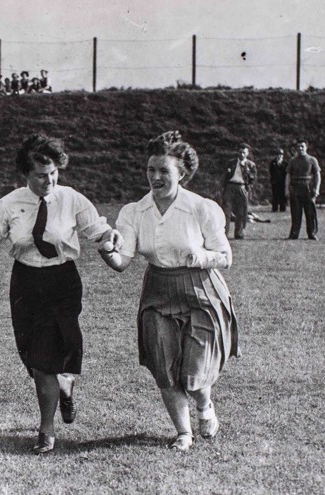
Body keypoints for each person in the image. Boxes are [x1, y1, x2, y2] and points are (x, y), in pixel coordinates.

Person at [0, 134, 121, 454]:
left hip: (62, 282)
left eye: (53, 173)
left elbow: (98, 230)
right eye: (40, 175)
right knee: (35, 359)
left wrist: (111, 236)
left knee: (48, 357)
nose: (48, 180)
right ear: (26, 174)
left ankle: (46, 429)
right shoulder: (9, 204)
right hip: (26, 285)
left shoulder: (72, 199)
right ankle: (63, 387)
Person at [103, 130, 239, 452]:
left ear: (182, 173)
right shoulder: (134, 212)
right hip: (158, 290)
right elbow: (122, 261)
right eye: (151, 170)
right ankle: (183, 432)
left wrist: (201, 257)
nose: (156, 177)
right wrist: (108, 249)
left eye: (164, 170)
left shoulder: (201, 208)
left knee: (193, 374)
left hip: (201, 289)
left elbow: (226, 257)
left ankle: (204, 406)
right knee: (163, 366)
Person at [285, 139, 321, 240]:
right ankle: (294, 234)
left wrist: (316, 188)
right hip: (295, 187)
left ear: (306, 147)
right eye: (298, 147)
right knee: (295, 212)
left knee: (310, 212)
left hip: (308, 187)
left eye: (302, 146)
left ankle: (312, 233)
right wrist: (287, 189)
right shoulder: (293, 161)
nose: (300, 148)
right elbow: (288, 175)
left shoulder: (312, 160)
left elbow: (317, 174)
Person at [220, 143, 256, 239]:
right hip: (230, 186)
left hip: (242, 187)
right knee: (226, 211)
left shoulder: (251, 165)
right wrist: (222, 187)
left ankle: (239, 233)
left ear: (247, 153)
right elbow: (224, 176)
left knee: (242, 211)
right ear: (237, 152)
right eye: (240, 152)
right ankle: (224, 233)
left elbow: (253, 179)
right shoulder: (231, 163)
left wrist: (248, 187)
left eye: (244, 152)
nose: (242, 154)